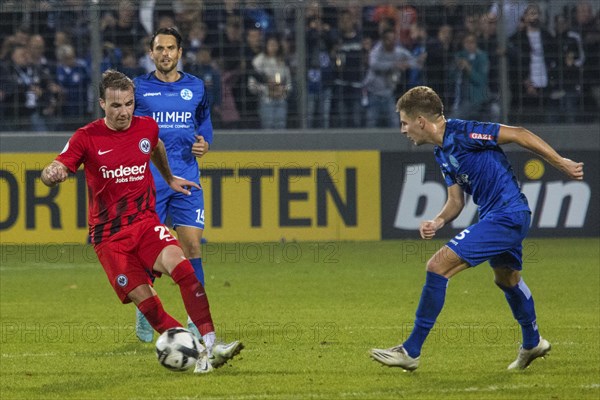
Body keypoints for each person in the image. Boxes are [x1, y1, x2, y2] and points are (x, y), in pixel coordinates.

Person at [40, 69, 243, 373]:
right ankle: (199, 354)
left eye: (129, 104)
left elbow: (157, 146)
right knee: (150, 307)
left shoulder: (146, 127)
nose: (123, 112)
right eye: (116, 106)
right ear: (102, 104)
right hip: (110, 240)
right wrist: (51, 174)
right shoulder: (86, 137)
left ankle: (211, 342)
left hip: (146, 224)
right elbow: (56, 167)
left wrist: (170, 177)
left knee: (185, 271)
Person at [371, 86, 584, 371]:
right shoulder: (441, 152)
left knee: (437, 266)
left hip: (507, 215)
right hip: (496, 216)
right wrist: (438, 221)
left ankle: (410, 351)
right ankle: (533, 342)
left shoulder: (464, 132)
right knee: (507, 279)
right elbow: (456, 201)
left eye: (404, 122)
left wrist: (561, 163)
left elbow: (520, 134)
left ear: (421, 121)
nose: (402, 130)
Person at [131, 27, 213, 343]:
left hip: (187, 176)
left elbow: (204, 123)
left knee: (191, 246)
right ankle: (145, 306)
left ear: (180, 53)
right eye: (159, 48)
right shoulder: (137, 89)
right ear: (151, 53)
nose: (165, 53)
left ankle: (196, 319)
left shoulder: (196, 87)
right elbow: (124, 126)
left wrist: (206, 142)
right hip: (149, 180)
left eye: (171, 48)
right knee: (149, 252)